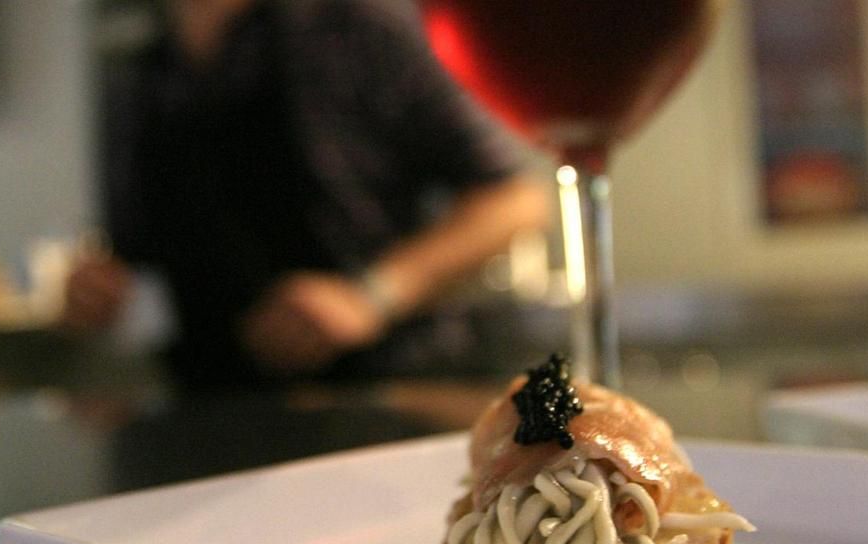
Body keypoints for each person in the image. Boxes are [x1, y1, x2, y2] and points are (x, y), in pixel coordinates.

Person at [63, 0, 551, 386]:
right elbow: (131, 248)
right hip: (213, 404)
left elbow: (514, 201)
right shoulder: (137, 69)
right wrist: (99, 287)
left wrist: (370, 296)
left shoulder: (359, 31)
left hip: (381, 390)